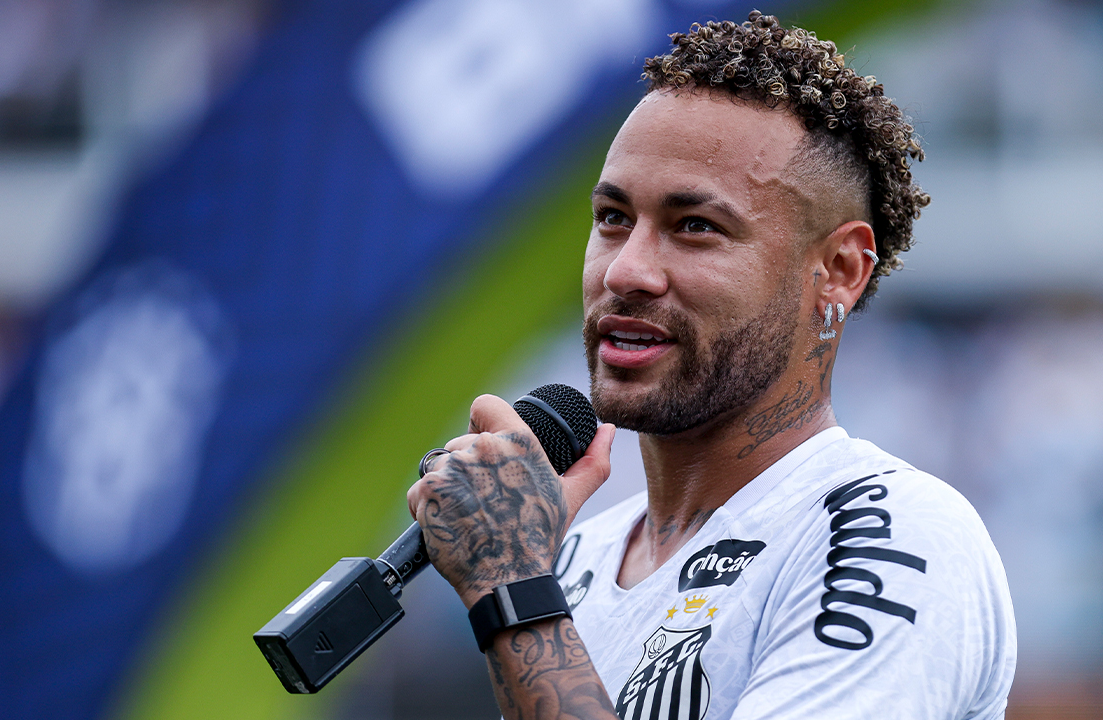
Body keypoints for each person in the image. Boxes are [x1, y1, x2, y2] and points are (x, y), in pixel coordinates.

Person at [407, 11, 1016, 720]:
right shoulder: (572, 562)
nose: (626, 271)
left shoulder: (893, 536)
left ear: (839, 270)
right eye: (612, 218)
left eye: (696, 226)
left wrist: (512, 588)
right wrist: (526, 579)